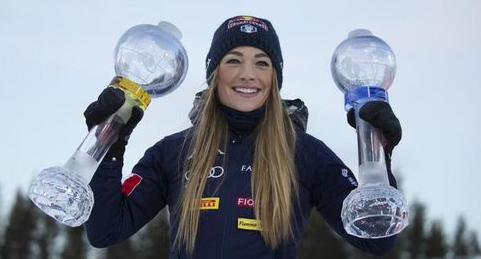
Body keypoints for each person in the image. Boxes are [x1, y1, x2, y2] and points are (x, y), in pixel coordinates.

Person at [84, 15, 402, 258]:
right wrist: (109, 146)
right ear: (215, 74)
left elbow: (376, 238)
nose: (247, 73)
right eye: (233, 60)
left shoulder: (306, 154)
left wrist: (380, 153)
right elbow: (105, 230)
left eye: (261, 63)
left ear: (273, 78)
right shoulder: (172, 152)